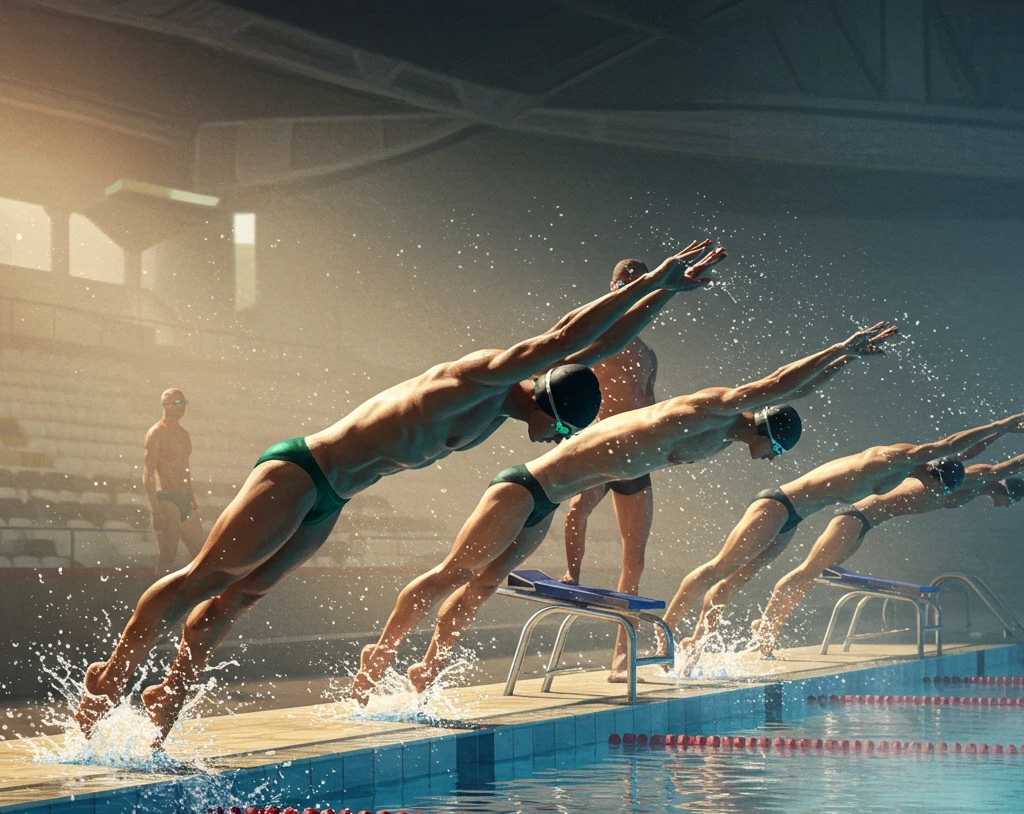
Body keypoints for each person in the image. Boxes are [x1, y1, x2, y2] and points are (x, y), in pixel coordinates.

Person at [75, 239, 725, 743]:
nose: (549, 441)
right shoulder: (484, 379)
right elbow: (568, 337)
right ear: (545, 401)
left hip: (334, 497)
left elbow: (599, 342)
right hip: (302, 472)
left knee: (238, 597)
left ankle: (167, 696)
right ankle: (109, 677)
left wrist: (661, 300)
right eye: (554, 430)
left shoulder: (508, 404)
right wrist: (655, 278)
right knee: (203, 578)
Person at [354, 319, 895, 701]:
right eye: (774, 449)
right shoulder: (706, 410)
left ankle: (431, 667)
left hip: (551, 499)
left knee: (484, 584)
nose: (768, 460)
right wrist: (841, 351)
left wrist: (840, 365)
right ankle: (378, 655)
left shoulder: (724, 437)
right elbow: (778, 384)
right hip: (526, 486)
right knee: (455, 572)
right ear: (766, 431)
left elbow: (790, 393)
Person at [664, 410, 1024, 673]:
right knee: (721, 568)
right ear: (932, 472)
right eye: (937, 487)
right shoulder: (894, 459)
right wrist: (1005, 425)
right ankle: (666, 631)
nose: (936, 495)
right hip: (779, 505)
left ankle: (697, 642)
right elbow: (950, 445)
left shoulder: (916, 469)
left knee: (737, 578)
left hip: (793, 517)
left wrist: (1003, 436)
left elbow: (960, 452)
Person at [752, 448, 1024, 658]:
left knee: (814, 575)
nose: (1006, 506)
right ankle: (767, 625)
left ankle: (770, 624)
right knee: (808, 571)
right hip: (855, 517)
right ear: (1006, 489)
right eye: (1011, 499)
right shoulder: (973, 477)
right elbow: (1007, 465)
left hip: (865, 523)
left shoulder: (965, 486)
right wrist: (1007, 428)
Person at [560, 258, 659, 682]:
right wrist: (569, 426)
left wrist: (666, 447)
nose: (630, 293)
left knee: (634, 557)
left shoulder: (648, 353)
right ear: (613, 286)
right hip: (602, 444)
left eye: (639, 287)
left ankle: (622, 656)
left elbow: (652, 404)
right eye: (625, 286)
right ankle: (572, 576)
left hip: (637, 454)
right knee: (576, 510)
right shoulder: (595, 339)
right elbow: (563, 376)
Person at [144, 388, 206, 578]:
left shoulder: (184, 434)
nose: (182, 408)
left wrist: (192, 499)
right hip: (167, 498)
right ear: (166, 405)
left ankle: (194, 598)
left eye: (184, 403)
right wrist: (155, 509)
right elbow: (148, 474)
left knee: (202, 555)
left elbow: (186, 469)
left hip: (184, 499)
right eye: (177, 403)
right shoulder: (156, 433)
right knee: (167, 557)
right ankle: (155, 606)